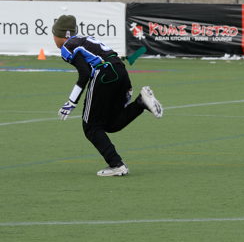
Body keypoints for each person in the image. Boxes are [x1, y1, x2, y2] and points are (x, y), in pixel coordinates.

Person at [52, 14, 163, 177]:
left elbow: (85, 73)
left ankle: (117, 165)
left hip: (105, 74)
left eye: (54, 34)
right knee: (111, 123)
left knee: (90, 126)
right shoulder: (83, 39)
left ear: (61, 35)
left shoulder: (68, 46)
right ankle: (140, 103)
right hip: (120, 71)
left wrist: (71, 102)